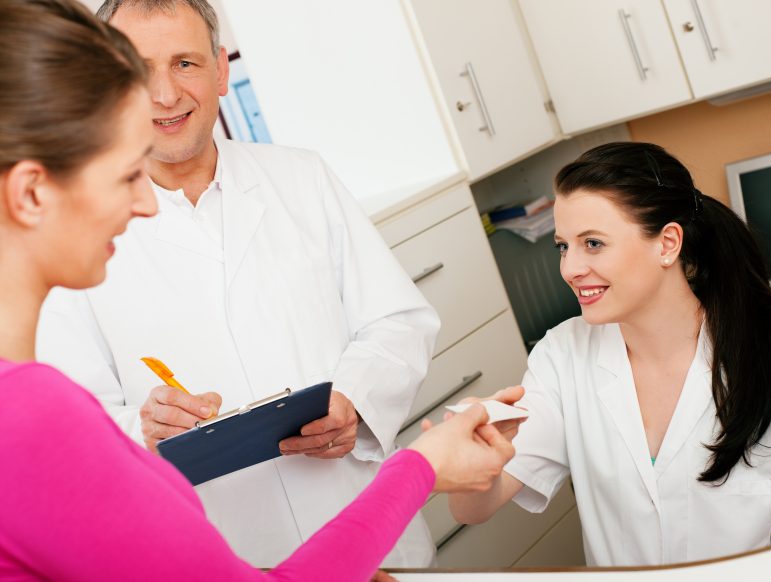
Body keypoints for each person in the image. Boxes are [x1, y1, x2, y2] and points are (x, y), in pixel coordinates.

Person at [0, 3, 518, 580]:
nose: (166, 94)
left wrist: (355, 400)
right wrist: (142, 428)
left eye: (186, 63)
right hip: (228, 544)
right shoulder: (76, 248)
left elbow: (398, 320)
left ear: (221, 70)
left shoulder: (302, 177)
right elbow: (75, 426)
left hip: (367, 528)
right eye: (141, 69)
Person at [448, 142, 771, 566]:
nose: (570, 268)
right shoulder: (562, 357)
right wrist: (476, 460)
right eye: (563, 246)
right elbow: (474, 510)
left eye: (592, 243)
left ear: (667, 243)